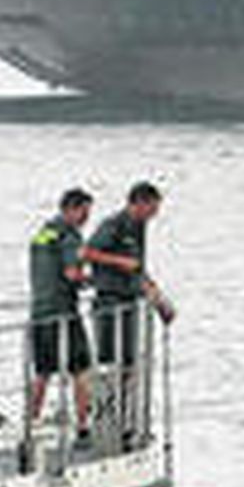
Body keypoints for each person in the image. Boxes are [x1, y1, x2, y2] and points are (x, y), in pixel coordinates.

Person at [85, 181, 171, 445]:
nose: (154, 214)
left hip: (130, 303)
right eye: (152, 208)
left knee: (130, 364)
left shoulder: (139, 228)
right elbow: (88, 252)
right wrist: (119, 261)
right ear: (139, 203)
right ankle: (101, 417)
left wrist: (158, 299)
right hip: (109, 302)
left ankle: (124, 419)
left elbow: (138, 268)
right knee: (108, 362)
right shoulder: (114, 225)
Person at [28, 187, 94, 435]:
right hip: (64, 313)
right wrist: (94, 281)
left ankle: (31, 421)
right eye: (84, 212)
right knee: (81, 368)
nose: (86, 218)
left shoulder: (43, 234)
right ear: (70, 209)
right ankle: (83, 424)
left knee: (43, 371)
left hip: (39, 312)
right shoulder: (70, 236)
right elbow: (72, 274)